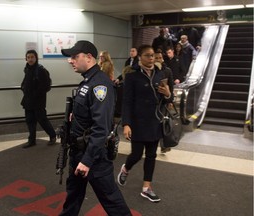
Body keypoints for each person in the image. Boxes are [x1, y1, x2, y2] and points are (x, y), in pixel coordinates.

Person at [60, 40, 132, 216]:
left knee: (111, 199)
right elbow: (89, 114)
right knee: (73, 196)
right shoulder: (87, 81)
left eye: (75, 56)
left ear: (89, 57)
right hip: (79, 151)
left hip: (93, 155)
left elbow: (102, 127)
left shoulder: (100, 84)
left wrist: (87, 160)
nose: (71, 61)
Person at [117, 45, 173, 202]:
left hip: (155, 121)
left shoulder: (160, 74)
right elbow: (126, 102)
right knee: (136, 154)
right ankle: (126, 168)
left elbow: (169, 99)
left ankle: (146, 188)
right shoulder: (132, 76)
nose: (151, 58)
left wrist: (168, 94)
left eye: (153, 55)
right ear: (140, 57)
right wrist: (126, 124)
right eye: (147, 55)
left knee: (151, 155)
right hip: (138, 122)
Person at [20, 50, 56, 148]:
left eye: (32, 57)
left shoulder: (40, 70)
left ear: (36, 58)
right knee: (30, 121)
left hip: (38, 101)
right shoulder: (27, 69)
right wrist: (23, 88)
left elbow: (45, 86)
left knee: (42, 119)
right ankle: (31, 140)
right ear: (26, 59)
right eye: (28, 57)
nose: (30, 59)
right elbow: (25, 83)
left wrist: (35, 94)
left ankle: (52, 136)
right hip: (28, 101)